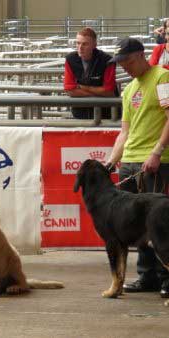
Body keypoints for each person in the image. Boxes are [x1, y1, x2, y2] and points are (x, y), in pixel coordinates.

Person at [105, 37, 169, 300]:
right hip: (130, 162)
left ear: (141, 55)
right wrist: (111, 161)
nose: (124, 67)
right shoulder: (129, 89)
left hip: (154, 163)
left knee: (159, 225)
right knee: (136, 225)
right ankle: (147, 275)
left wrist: (157, 151)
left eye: (127, 61)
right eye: (120, 63)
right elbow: (124, 131)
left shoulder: (162, 79)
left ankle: (166, 276)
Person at [64, 27, 118, 119]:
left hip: (105, 115)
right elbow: (70, 90)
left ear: (94, 45)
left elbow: (109, 92)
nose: (80, 47)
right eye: (78, 43)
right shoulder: (70, 59)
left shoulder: (107, 61)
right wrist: (98, 93)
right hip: (79, 115)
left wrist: (81, 87)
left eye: (85, 44)